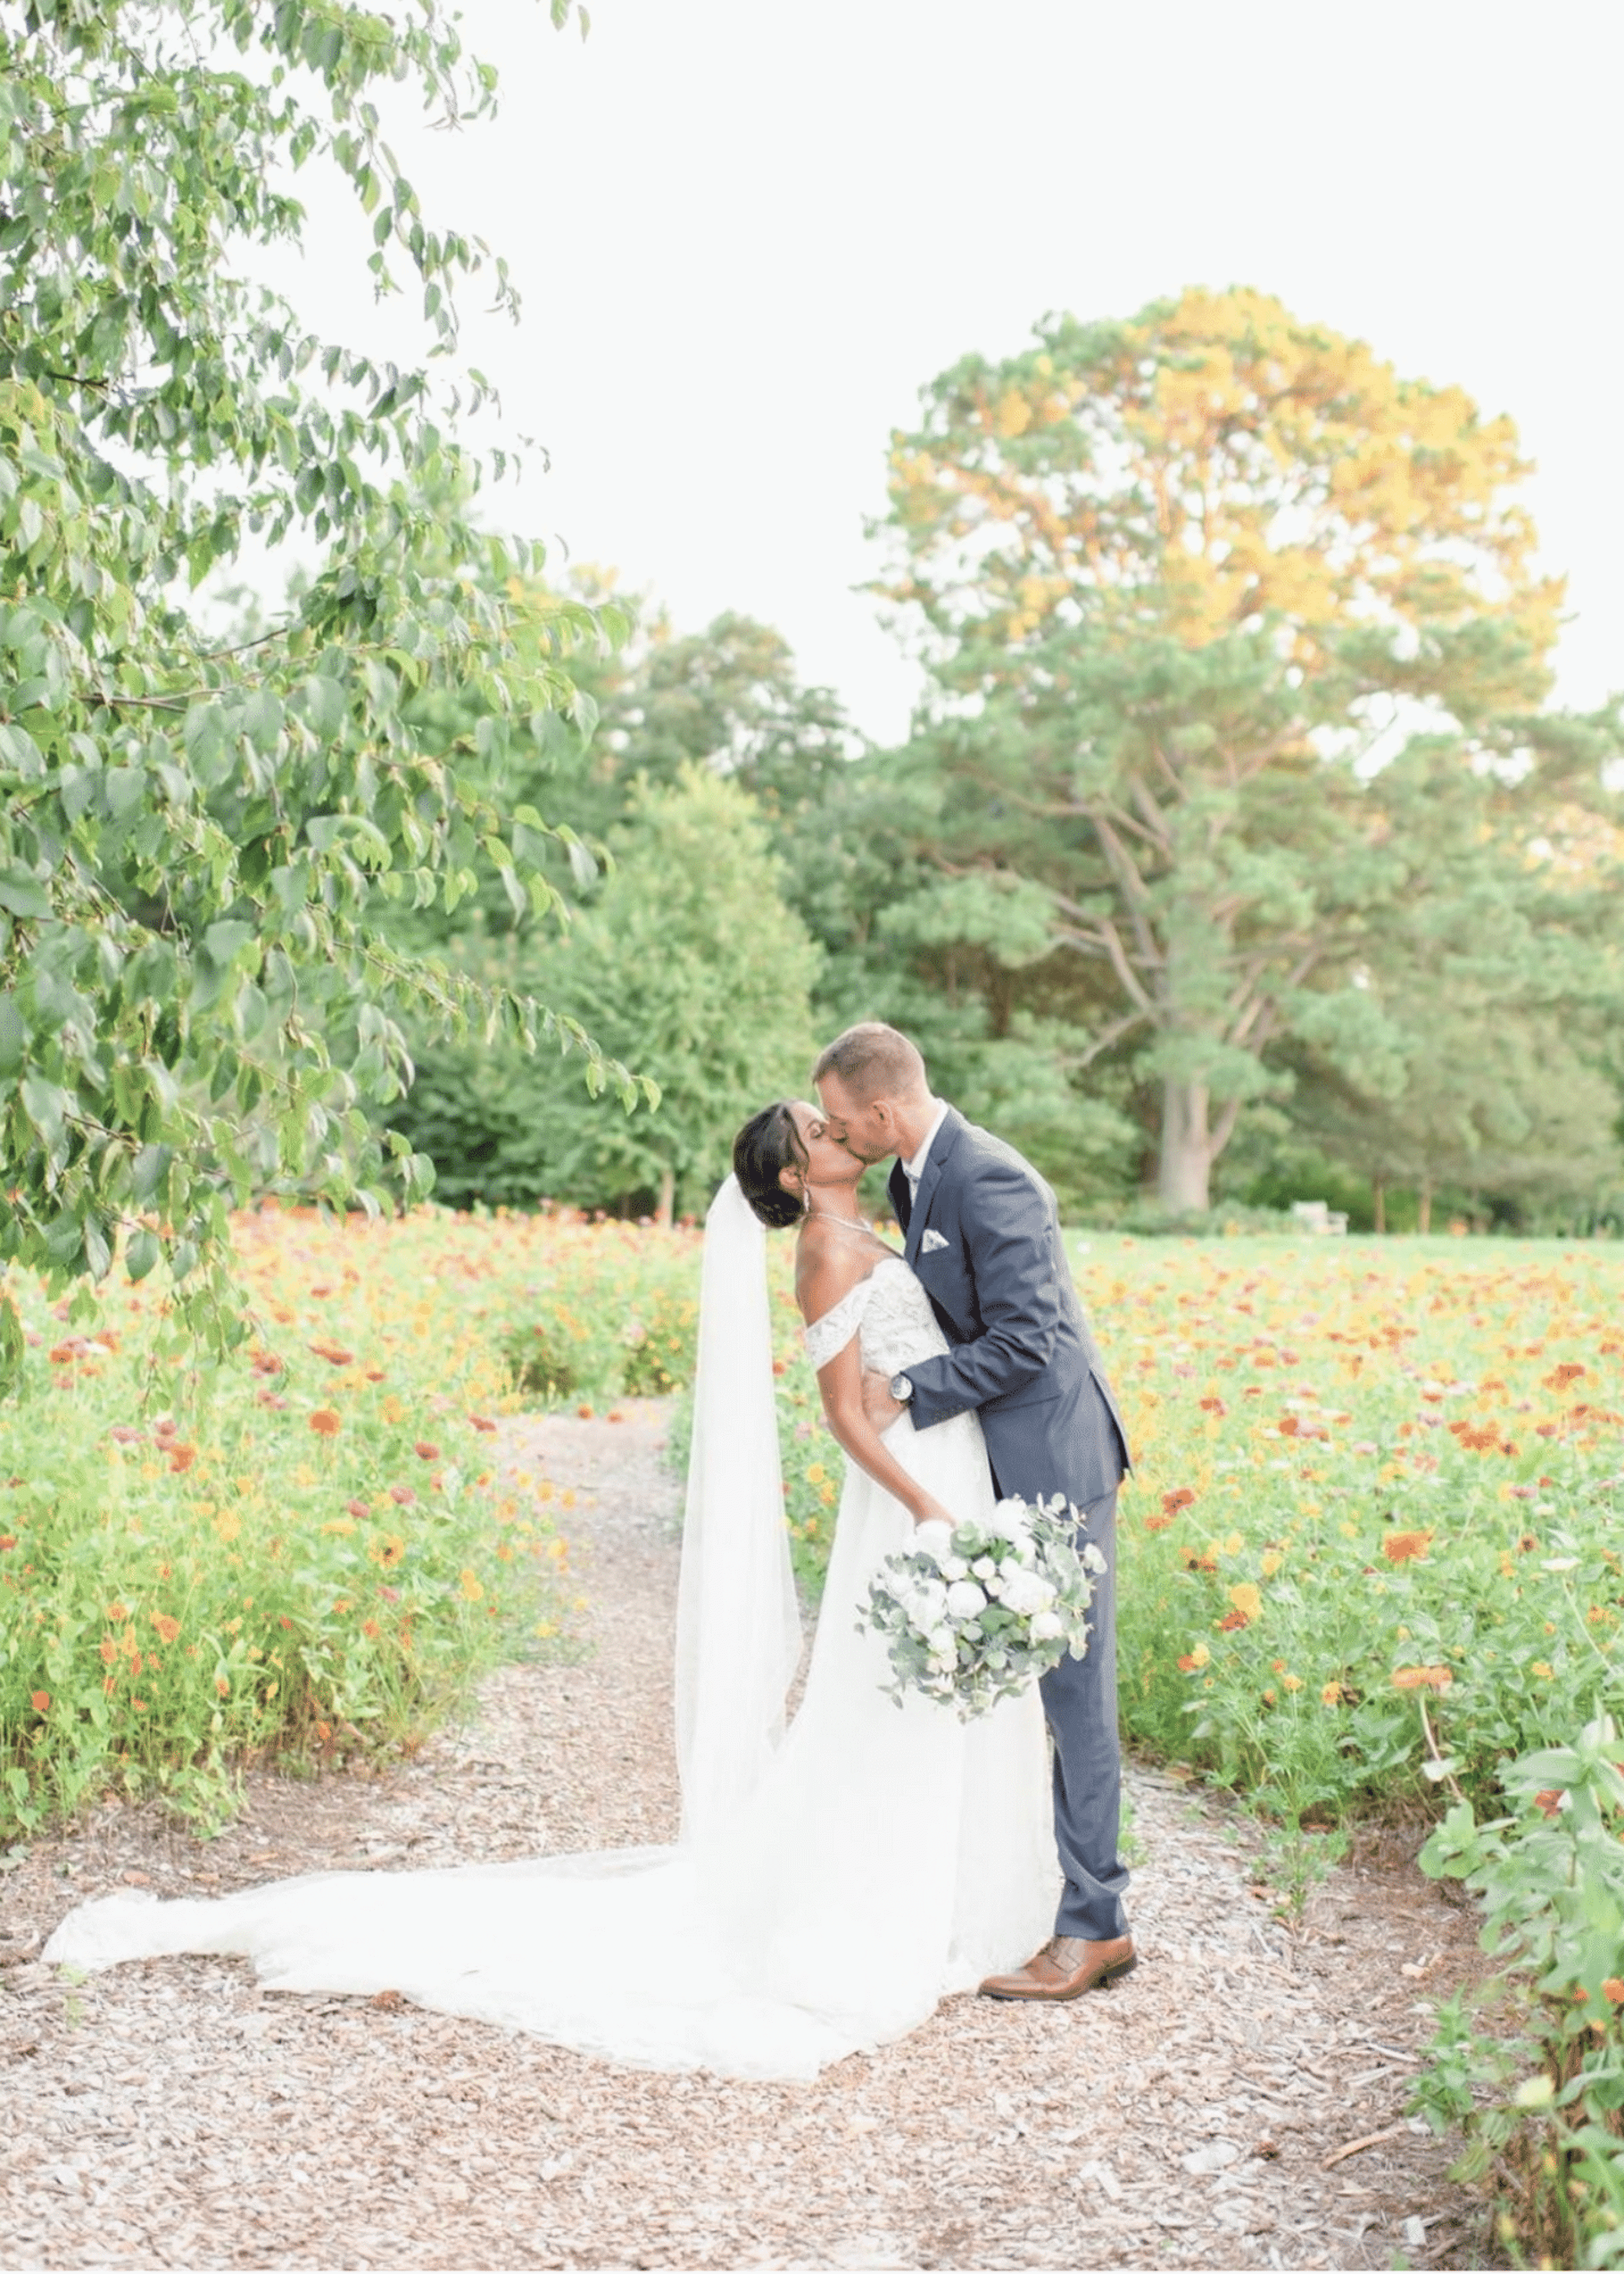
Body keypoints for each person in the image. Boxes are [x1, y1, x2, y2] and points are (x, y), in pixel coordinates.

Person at [41, 1099, 1055, 2079]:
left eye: (834, 1120)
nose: (838, 1130)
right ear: (796, 1176)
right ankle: (882, 1913)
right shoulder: (828, 1254)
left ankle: (940, 1894)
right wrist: (927, 1507)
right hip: (914, 1500)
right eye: (818, 1129)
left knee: (920, 1698)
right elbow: (846, 1418)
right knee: (887, 1701)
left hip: (946, 1477)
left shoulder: (873, 1226)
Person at [813, 1022, 1135, 2001]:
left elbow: (1034, 1339)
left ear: (882, 1109)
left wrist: (910, 1390)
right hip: (990, 1458)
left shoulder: (990, 1177)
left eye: (836, 1119)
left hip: (1055, 1453)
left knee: (1076, 1690)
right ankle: (1032, 1892)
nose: (833, 1134)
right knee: (1021, 1686)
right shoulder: (913, 1179)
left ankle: (1095, 1926)